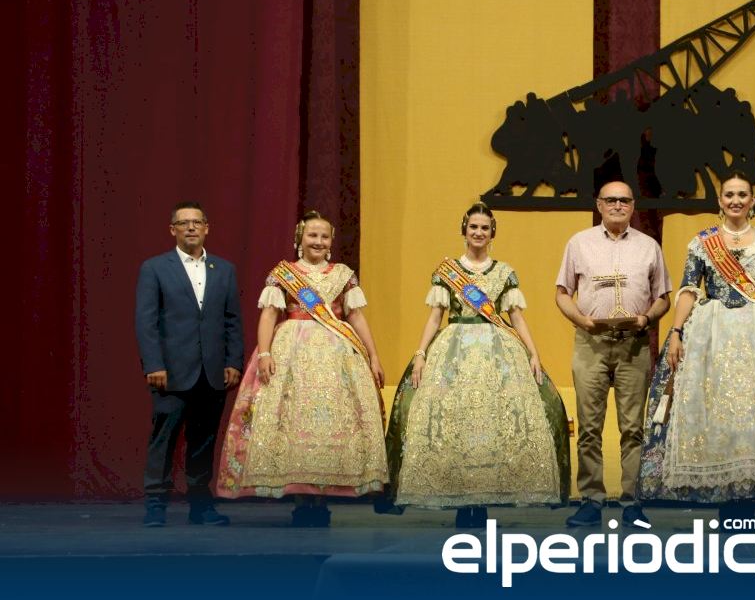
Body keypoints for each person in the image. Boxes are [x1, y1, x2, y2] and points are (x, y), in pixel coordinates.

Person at [638, 173, 755, 524]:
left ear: (752, 201)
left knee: (754, 411)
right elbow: (689, 290)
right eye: (729, 195)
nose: (735, 200)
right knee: (716, 409)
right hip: (711, 333)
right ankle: (721, 501)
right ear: (720, 201)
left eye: (742, 195)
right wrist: (676, 331)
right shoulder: (702, 243)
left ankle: (748, 503)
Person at [382, 203, 570, 528]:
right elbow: (435, 317)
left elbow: (516, 318)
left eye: (484, 228)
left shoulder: (504, 272)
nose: (478, 233)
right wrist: (421, 353)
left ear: (492, 232)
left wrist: (533, 353)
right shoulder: (448, 271)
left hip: (498, 352)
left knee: (493, 424)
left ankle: (482, 500)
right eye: (473, 227)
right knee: (457, 422)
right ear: (464, 230)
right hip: (453, 350)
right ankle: (460, 498)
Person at [216, 211, 388, 527]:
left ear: (331, 241)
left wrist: (373, 356)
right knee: (293, 422)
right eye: (312, 235)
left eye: (324, 236)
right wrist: (265, 353)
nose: (318, 241)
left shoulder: (343, 274)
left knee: (329, 424)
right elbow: (269, 315)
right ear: (300, 238)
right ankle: (300, 499)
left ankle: (321, 500)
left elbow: (356, 316)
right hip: (292, 353)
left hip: (337, 355)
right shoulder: (284, 274)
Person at [556, 180, 671, 527]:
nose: (618, 205)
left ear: (633, 206)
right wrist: (581, 320)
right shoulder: (579, 243)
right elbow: (562, 293)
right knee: (589, 427)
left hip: (633, 344)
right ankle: (591, 501)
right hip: (590, 343)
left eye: (624, 200)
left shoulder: (649, 246)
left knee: (633, 428)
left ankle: (632, 502)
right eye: (611, 200)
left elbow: (663, 297)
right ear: (599, 205)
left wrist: (647, 318)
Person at [135, 201, 244, 527]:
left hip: (212, 372)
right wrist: (153, 365)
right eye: (183, 223)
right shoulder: (155, 268)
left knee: (203, 441)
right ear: (173, 230)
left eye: (197, 222)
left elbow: (232, 321)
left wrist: (234, 362)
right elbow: (146, 323)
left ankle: (200, 506)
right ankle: (156, 506)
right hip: (170, 372)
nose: (191, 228)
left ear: (207, 228)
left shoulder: (224, 269)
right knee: (164, 440)